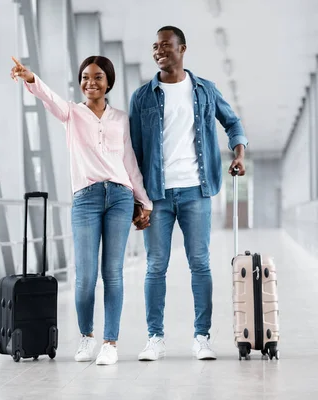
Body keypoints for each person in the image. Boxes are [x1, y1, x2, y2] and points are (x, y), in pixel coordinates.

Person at [10, 55, 153, 365]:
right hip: (86, 199)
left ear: (109, 82)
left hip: (119, 196)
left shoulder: (120, 119)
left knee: (113, 273)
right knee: (85, 276)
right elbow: (49, 98)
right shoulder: (72, 113)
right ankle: (86, 337)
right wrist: (30, 77)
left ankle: (110, 343)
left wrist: (145, 201)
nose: (91, 82)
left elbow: (129, 162)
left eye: (98, 77)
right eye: (86, 77)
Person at [129, 26, 248, 361]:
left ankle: (202, 337)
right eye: (154, 46)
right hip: (157, 194)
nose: (158, 51)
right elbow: (135, 151)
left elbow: (233, 123)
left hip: (197, 190)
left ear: (182, 49)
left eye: (165, 46)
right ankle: (155, 338)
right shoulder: (142, 96)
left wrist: (238, 153)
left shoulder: (205, 90)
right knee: (155, 266)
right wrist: (138, 198)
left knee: (200, 263)